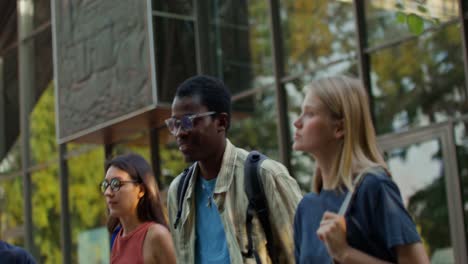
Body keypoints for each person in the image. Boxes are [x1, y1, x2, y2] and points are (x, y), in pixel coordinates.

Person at [165, 75, 303, 263]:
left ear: (221, 122)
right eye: (175, 123)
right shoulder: (178, 191)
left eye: (189, 121)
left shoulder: (265, 176)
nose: (180, 132)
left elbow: (302, 254)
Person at [292, 76, 430, 263]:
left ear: (339, 128)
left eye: (309, 113)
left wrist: (344, 253)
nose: (297, 122)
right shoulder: (305, 208)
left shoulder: (374, 188)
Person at [102, 153, 176, 264]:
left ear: (141, 190)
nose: (108, 192)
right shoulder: (118, 238)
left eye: (116, 184)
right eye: (105, 184)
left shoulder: (157, 236)